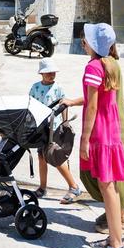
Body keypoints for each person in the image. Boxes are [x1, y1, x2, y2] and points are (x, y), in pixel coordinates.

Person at [79, 23, 124, 248]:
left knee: (106, 187)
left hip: (99, 135)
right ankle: (114, 237)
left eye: (85, 40)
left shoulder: (94, 67)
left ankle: (116, 245)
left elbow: (92, 106)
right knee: (111, 189)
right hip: (112, 133)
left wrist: (85, 139)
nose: (83, 43)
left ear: (92, 45)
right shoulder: (111, 65)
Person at [31, 57, 83, 202]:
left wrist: (65, 123)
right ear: (41, 73)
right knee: (41, 156)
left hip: (54, 128)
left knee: (55, 156)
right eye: (48, 72)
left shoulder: (58, 88)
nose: (51, 74)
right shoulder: (35, 87)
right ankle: (42, 188)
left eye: (53, 72)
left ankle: (74, 187)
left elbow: (64, 105)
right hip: (40, 128)